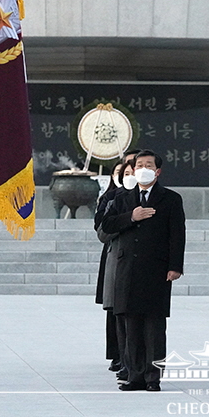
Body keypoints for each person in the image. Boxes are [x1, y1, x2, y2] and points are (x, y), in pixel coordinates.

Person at [102, 150, 185, 391]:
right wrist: (132, 216)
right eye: (140, 165)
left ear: (158, 171)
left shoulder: (170, 199)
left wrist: (175, 266)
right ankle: (135, 375)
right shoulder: (122, 198)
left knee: (154, 327)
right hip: (127, 268)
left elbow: (177, 234)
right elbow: (106, 224)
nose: (144, 169)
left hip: (157, 269)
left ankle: (153, 377)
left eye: (149, 165)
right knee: (131, 326)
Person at [95, 159, 128, 373]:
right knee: (114, 308)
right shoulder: (110, 198)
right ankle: (116, 354)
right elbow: (102, 228)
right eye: (121, 171)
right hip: (114, 254)